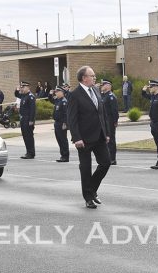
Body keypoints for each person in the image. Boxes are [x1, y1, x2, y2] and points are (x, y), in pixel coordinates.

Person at [67, 66, 111, 209]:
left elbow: (102, 114)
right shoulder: (75, 95)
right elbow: (72, 119)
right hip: (84, 139)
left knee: (105, 163)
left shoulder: (96, 90)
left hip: (99, 136)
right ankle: (88, 198)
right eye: (92, 75)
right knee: (85, 168)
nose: (94, 78)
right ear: (84, 78)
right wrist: (76, 137)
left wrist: (107, 133)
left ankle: (91, 189)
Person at [142, 80, 158, 169]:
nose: (150, 88)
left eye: (151, 86)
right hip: (153, 123)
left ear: (157, 87)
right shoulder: (153, 97)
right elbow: (144, 95)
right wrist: (143, 90)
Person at [15, 81, 36, 159]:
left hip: (28, 119)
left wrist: (31, 120)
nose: (22, 89)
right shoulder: (23, 96)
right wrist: (17, 89)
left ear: (28, 87)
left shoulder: (30, 96)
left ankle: (31, 153)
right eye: (21, 87)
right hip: (23, 119)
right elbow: (16, 94)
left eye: (23, 87)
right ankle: (28, 152)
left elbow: (32, 110)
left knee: (29, 137)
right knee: (25, 136)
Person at [100, 79, 119, 165]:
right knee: (105, 140)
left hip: (110, 122)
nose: (102, 86)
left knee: (111, 140)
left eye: (103, 85)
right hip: (104, 122)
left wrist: (115, 121)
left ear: (108, 86)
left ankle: (112, 159)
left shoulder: (111, 96)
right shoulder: (104, 95)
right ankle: (107, 157)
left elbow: (114, 111)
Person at [48, 86, 69, 162]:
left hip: (61, 123)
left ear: (62, 93)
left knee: (63, 140)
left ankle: (65, 156)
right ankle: (62, 155)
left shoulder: (64, 102)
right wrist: (50, 94)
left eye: (57, 92)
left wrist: (65, 123)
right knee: (59, 140)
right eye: (55, 92)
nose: (55, 93)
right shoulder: (58, 100)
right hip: (57, 123)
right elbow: (51, 100)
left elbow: (66, 114)